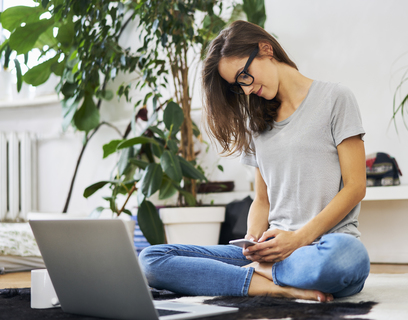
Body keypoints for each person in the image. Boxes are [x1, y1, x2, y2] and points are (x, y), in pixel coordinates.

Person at [139, 20, 370, 302]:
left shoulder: (336, 99)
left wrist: (297, 241)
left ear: (265, 49)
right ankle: (274, 286)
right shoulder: (257, 123)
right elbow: (262, 200)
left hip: (324, 246)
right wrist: (252, 243)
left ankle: (253, 275)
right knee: (152, 259)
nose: (246, 90)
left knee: (347, 258)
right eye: (238, 85)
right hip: (272, 251)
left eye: (244, 76)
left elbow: (356, 186)